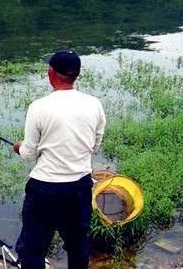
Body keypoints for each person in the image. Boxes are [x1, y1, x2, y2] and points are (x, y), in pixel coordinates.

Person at [13, 49, 106, 269]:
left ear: (51, 73)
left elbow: (29, 154)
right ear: (76, 75)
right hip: (80, 187)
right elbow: (95, 145)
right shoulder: (94, 104)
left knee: (32, 248)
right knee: (78, 245)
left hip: (44, 189)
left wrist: (19, 148)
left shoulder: (38, 107)